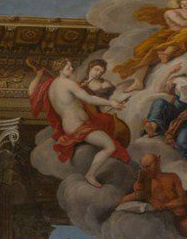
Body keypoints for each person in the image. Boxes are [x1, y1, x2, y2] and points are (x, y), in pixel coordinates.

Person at [27, 57, 131, 187]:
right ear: (61, 69)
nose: (71, 69)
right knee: (110, 146)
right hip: (79, 125)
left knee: (105, 122)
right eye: (68, 67)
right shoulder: (68, 84)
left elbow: (31, 92)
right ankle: (90, 174)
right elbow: (89, 99)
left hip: (70, 125)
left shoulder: (49, 86)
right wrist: (111, 103)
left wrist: (38, 76)